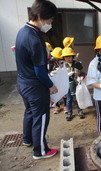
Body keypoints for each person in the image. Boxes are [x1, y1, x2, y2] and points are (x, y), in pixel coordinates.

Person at [15, 0, 58, 159]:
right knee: (41, 117)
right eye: (51, 20)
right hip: (35, 86)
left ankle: (27, 139)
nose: (50, 23)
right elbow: (39, 70)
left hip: (22, 82)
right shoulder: (35, 38)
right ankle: (40, 151)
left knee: (30, 112)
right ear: (41, 17)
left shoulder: (22, 31)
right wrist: (51, 85)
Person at [61, 47, 86, 121]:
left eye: (69, 56)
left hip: (77, 84)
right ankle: (69, 112)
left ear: (73, 56)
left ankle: (80, 111)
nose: (68, 58)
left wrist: (82, 76)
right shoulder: (63, 66)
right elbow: (61, 77)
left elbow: (82, 72)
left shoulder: (78, 64)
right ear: (64, 58)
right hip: (67, 85)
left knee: (78, 98)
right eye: (66, 56)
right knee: (69, 99)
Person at [49, 47, 67, 114]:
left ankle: (65, 106)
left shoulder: (63, 63)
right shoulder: (52, 63)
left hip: (62, 80)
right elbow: (50, 71)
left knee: (64, 93)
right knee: (55, 92)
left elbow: (65, 71)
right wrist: (52, 72)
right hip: (55, 80)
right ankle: (57, 106)